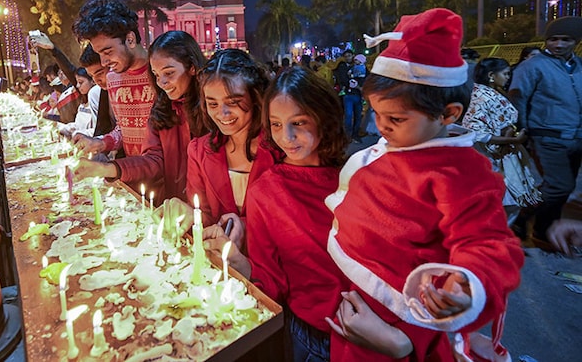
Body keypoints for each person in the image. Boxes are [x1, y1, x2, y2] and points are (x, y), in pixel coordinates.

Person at [326, 8, 524, 361]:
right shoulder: (401, 144)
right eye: (376, 113)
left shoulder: (462, 173)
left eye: (396, 118)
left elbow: (487, 242)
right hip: (361, 301)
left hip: (405, 317)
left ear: (449, 114)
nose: (381, 127)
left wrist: (465, 285)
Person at [206, 67, 411, 361]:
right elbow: (272, 280)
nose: (286, 136)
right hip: (315, 335)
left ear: (323, 118)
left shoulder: (357, 176)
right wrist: (239, 262)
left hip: (382, 328)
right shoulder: (267, 191)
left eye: (298, 122)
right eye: (276, 125)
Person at [69, 30, 207, 202]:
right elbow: (150, 157)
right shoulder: (162, 109)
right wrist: (106, 166)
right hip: (167, 199)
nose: (162, 82)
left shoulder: (212, 108)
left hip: (212, 212)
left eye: (169, 73)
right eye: (156, 75)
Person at [186, 49, 275, 250]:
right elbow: (205, 216)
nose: (223, 113)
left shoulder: (280, 148)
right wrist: (189, 215)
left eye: (233, 102)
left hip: (272, 267)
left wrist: (244, 225)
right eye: (213, 104)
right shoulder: (199, 151)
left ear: (254, 97)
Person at [508, 16, 582, 243]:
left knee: (558, 189)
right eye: (553, 39)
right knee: (560, 186)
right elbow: (517, 97)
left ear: (576, 41)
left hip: (576, 135)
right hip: (546, 134)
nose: (558, 44)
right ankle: (522, 218)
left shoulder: (579, 66)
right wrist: (523, 130)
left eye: (566, 39)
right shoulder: (533, 66)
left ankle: (542, 232)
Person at [71, 0, 154, 157]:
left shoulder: (161, 74)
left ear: (130, 39)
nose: (104, 62)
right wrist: (101, 143)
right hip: (132, 174)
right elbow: (123, 129)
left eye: (108, 52)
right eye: (99, 54)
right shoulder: (113, 79)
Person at [462, 57, 541, 213]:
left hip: (505, 154)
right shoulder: (481, 98)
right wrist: (512, 139)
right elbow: (477, 133)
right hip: (494, 158)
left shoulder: (491, 93)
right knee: (503, 203)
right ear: (491, 76)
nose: (508, 78)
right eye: (505, 74)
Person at [335, 49, 362, 142]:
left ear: (353, 55)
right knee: (349, 115)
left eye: (349, 56)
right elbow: (343, 79)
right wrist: (355, 85)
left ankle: (355, 135)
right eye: (346, 56)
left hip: (358, 95)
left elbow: (365, 77)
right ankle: (348, 135)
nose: (348, 58)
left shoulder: (359, 65)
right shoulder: (342, 67)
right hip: (348, 94)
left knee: (358, 115)